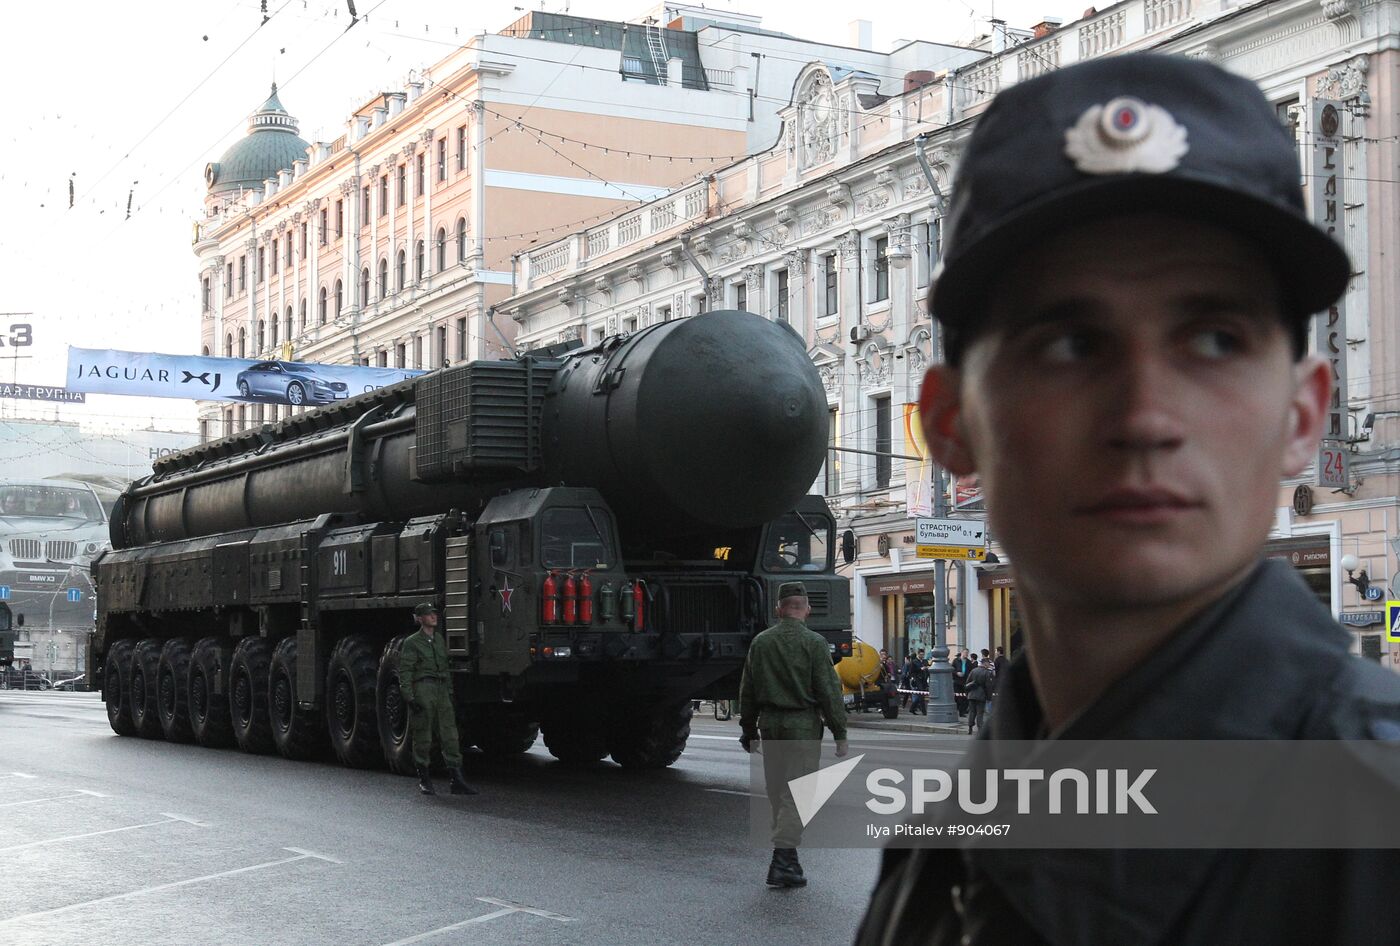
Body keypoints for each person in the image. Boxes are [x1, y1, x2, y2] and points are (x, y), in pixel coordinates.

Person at [855, 53, 1400, 944]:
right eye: (1070, 345)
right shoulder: (942, 842)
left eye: (1216, 340)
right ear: (950, 423)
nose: (1145, 418)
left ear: (1305, 415)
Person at [739, 581, 848, 888]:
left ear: (778, 609)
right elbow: (829, 691)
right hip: (802, 727)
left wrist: (748, 729)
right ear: (807, 610)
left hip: (770, 724)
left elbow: (747, 690)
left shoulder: (761, 642)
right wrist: (839, 731)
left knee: (778, 793)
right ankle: (782, 861)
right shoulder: (814, 643)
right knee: (797, 796)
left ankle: (790, 860)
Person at [398, 603, 477, 797]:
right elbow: (405, 671)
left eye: (434, 613)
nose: (433, 617)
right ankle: (424, 779)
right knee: (423, 736)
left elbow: (445, 668)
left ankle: (456, 779)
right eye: (428, 614)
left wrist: (449, 692)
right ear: (420, 618)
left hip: (441, 689)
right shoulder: (412, 642)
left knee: (450, 734)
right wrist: (409, 696)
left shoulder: (440, 640)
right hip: (423, 688)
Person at [963, 657, 992, 734]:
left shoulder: (973, 671)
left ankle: (970, 728)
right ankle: (980, 729)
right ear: (985, 663)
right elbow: (988, 686)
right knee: (980, 713)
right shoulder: (987, 673)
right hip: (981, 695)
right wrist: (989, 697)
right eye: (988, 663)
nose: (989, 665)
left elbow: (967, 682)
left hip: (971, 695)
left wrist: (967, 694)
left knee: (972, 712)